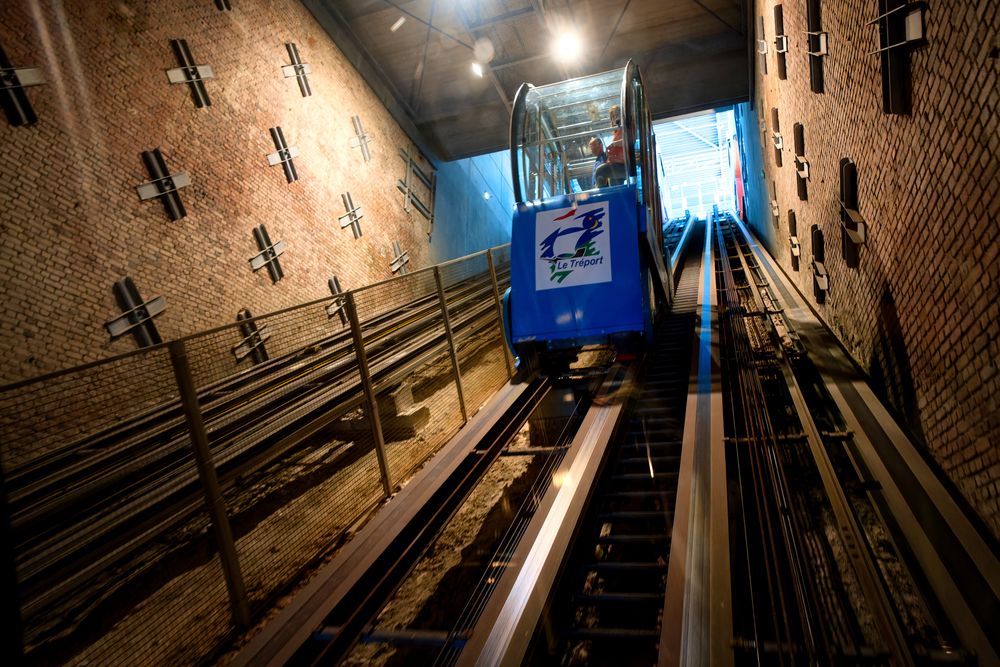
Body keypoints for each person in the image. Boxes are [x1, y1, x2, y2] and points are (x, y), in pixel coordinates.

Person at [595, 104, 627, 187]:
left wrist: (614, 144)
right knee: (615, 187)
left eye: (617, 114)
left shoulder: (626, 127)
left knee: (600, 171)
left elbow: (630, 140)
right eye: (613, 116)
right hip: (616, 164)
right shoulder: (617, 131)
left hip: (623, 165)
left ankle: (601, 197)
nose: (615, 117)